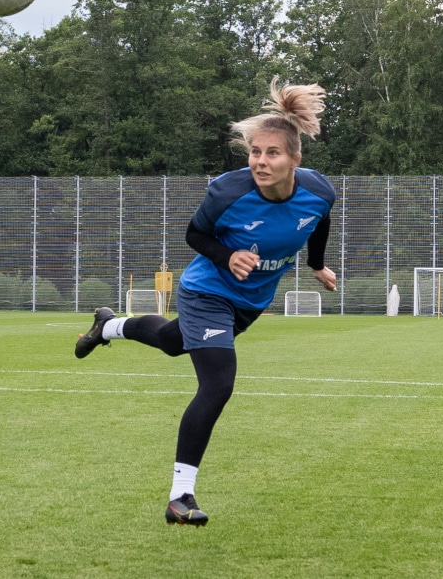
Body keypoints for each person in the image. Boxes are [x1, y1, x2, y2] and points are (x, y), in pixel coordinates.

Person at [75, 78, 337, 526]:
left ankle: (109, 326)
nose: (260, 161)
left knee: (175, 341)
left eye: (272, 153)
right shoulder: (228, 193)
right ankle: (181, 496)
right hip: (207, 290)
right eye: (255, 152)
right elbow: (194, 234)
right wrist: (228, 254)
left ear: (295, 158)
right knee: (217, 384)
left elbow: (319, 221)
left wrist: (316, 264)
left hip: (250, 300)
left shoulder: (319, 191)